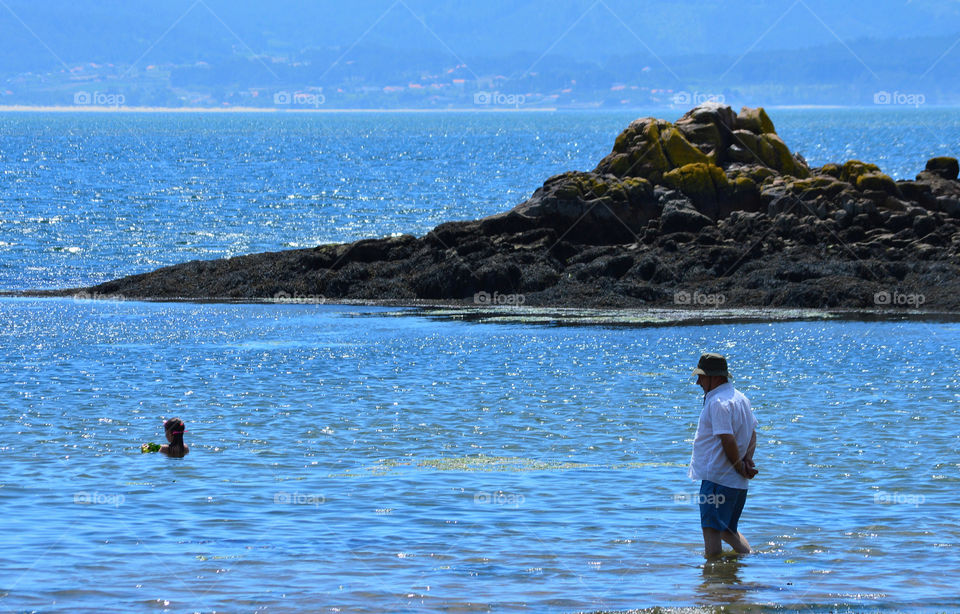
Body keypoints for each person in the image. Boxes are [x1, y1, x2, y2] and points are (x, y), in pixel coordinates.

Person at [688, 353, 757, 557]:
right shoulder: (741, 398)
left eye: (701, 376)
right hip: (736, 483)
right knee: (728, 530)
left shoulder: (718, 401)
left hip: (717, 479)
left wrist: (739, 466)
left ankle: (713, 586)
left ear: (715, 377)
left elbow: (727, 439)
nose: (697, 381)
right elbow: (752, 433)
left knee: (712, 534)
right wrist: (746, 461)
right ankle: (752, 560)